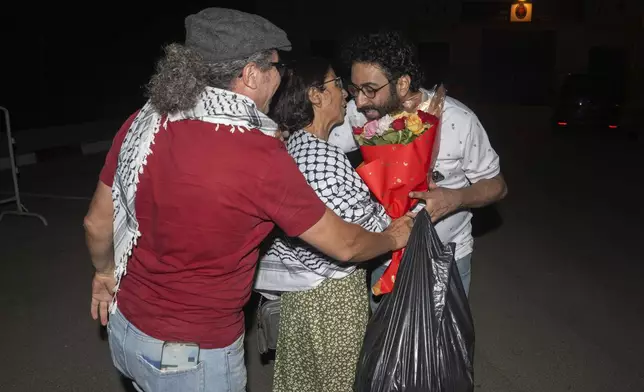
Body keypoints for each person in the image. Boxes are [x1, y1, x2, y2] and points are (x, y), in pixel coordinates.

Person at [83, 10, 412, 392]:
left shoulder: (145, 121)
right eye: (276, 65)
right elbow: (346, 244)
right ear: (251, 75)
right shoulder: (256, 154)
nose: (281, 75)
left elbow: (95, 222)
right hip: (190, 356)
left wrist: (105, 274)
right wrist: (394, 236)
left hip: (127, 332)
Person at [328, 31, 508, 310]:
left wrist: (456, 198)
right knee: (385, 349)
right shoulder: (356, 114)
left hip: (446, 258)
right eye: (354, 89)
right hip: (383, 256)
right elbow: (322, 151)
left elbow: (497, 185)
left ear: (402, 83)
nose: (360, 101)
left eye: (370, 89)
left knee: (443, 350)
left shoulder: (458, 120)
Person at [254, 57, 392, 392]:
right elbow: (363, 235)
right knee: (340, 382)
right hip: (333, 300)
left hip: (300, 299)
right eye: (337, 84)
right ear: (315, 95)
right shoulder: (322, 158)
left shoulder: (291, 147)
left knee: (304, 381)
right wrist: (401, 224)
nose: (345, 94)